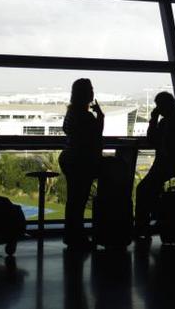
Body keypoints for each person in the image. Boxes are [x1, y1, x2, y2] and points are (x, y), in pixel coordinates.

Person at [134, 92, 175, 237]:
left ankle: (142, 226)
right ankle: (153, 223)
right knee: (149, 189)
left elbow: (152, 139)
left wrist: (153, 119)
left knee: (144, 189)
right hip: (173, 165)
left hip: (167, 165)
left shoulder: (167, 122)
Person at [58, 78, 104, 248]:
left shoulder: (71, 113)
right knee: (79, 200)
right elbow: (96, 135)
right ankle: (77, 237)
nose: (92, 91)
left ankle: (72, 235)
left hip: (69, 158)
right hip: (80, 161)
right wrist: (100, 115)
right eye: (90, 89)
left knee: (74, 200)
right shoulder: (85, 116)